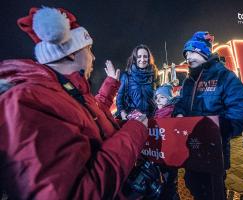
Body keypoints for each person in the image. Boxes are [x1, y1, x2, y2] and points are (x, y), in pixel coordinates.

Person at [0, 7, 149, 199]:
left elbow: (89, 116)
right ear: (71, 53)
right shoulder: (28, 101)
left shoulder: (64, 91)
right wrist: (134, 132)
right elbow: (76, 193)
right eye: (89, 50)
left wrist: (111, 85)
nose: (93, 57)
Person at [173, 31, 243, 199]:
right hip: (191, 148)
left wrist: (221, 128)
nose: (188, 57)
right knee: (192, 184)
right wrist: (179, 114)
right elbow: (181, 103)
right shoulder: (188, 81)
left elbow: (242, 110)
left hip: (214, 151)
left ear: (203, 52)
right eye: (186, 54)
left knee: (213, 192)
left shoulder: (224, 76)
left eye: (192, 52)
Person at [116, 44, 159, 120]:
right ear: (135, 58)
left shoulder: (154, 75)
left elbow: (158, 96)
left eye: (145, 56)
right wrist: (123, 113)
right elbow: (120, 99)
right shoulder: (126, 76)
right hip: (133, 119)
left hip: (151, 119)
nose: (142, 59)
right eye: (139, 56)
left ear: (148, 58)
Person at [153, 84, 180, 200]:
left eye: (162, 97)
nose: (158, 100)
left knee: (170, 184)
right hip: (158, 155)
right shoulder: (157, 113)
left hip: (170, 157)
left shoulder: (172, 113)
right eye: (157, 97)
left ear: (169, 99)